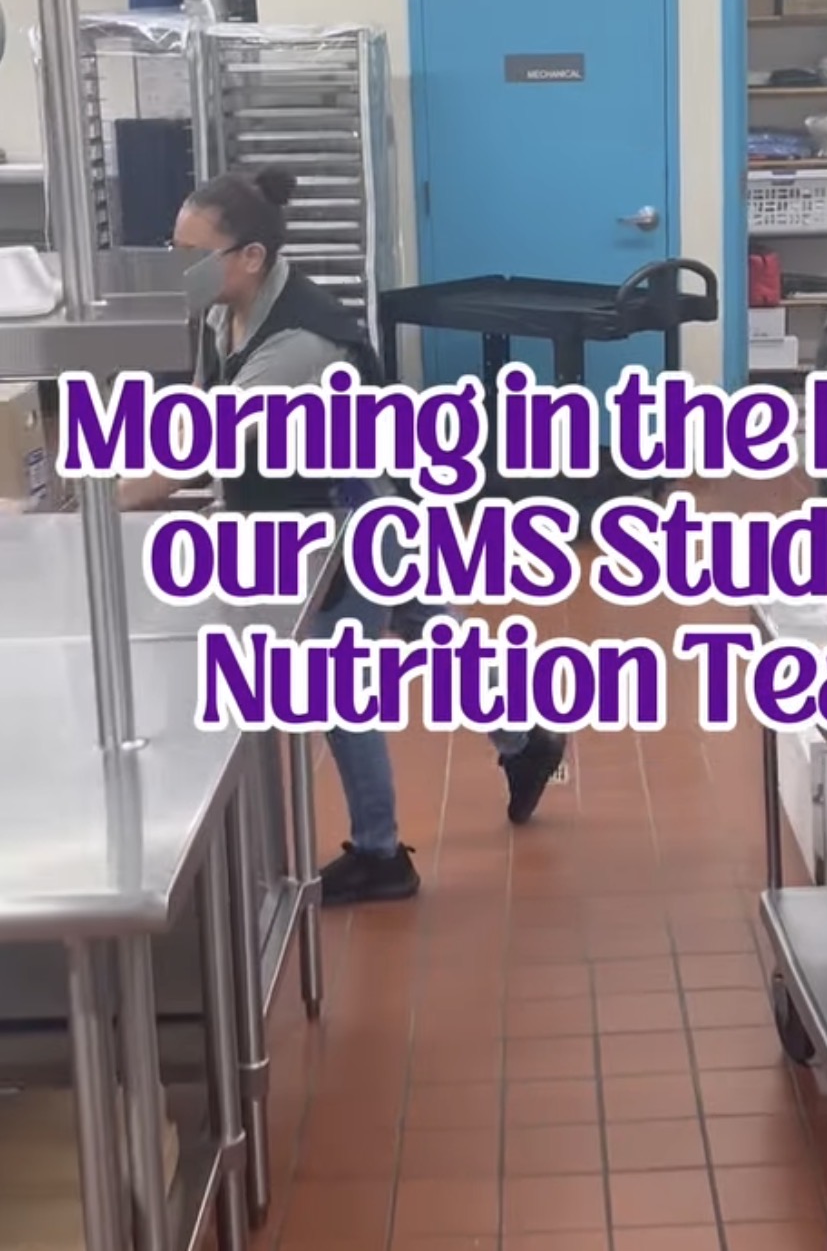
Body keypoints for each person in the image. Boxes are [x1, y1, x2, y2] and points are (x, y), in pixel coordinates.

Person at [119, 167, 565, 904]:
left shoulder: (300, 340)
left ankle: (381, 855)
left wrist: (89, 503)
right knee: (433, 636)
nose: (178, 268)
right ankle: (528, 739)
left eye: (189, 253)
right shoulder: (219, 311)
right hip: (321, 511)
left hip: (352, 523)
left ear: (250, 256)